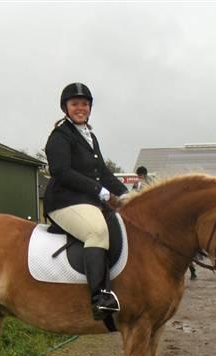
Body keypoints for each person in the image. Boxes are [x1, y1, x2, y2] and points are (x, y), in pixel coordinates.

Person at [44, 82, 129, 321]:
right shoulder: (60, 136)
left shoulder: (90, 136)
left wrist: (124, 193)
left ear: (89, 108)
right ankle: (100, 298)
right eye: (75, 104)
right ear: (66, 108)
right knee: (97, 231)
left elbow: (103, 171)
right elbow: (61, 171)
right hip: (63, 201)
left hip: (87, 201)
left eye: (84, 104)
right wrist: (98, 189)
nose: (80, 108)